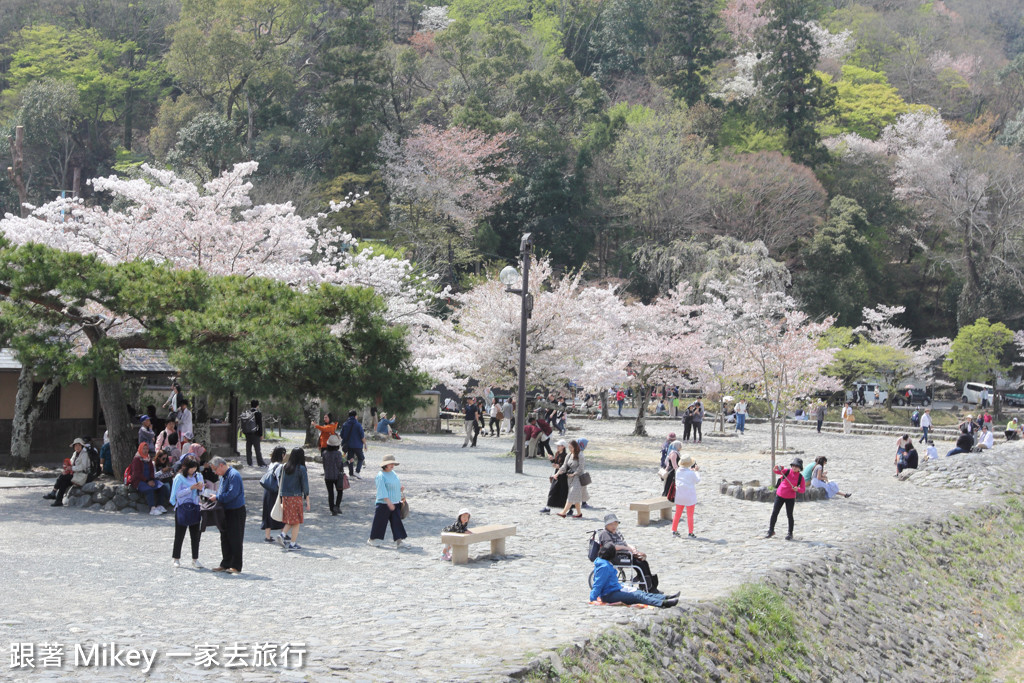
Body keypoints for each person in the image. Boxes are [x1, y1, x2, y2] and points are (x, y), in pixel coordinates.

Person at [590, 542, 678, 608]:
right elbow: (598, 583)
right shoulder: (604, 566)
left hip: (616, 589)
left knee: (639, 592)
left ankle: (664, 597)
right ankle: (662, 603)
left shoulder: (603, 562)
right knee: (637, 596)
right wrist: (593, 598)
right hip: (609, 595)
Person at [598, 513, 665, 593]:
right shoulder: (604, 533)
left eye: (615, 524)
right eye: (611, 524)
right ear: (606, 525)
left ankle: (648, 585)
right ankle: (648, 587)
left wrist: (632, 548)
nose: (614, 526)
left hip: (626, 554)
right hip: (616, 556)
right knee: (640, 564)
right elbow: (611, 547)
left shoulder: (616, 532)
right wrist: (626, 548)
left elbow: (624, 543)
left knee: (644, 562)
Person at [209, 456, 246, 574]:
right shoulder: (224, 476)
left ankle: (236, 565)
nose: (215, 472)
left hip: (236, 510)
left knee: (235, 538)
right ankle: (225, 563)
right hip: (225, 510)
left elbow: (232, 494)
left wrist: (218, 497)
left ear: (221, 465)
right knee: (225, 538)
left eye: (215, 469)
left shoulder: (233, 475)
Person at [169, 456, 205, 569]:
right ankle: (176, 558)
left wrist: (200, 488)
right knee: (179, 534)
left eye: (195, 468)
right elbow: (177, 494)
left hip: (195, 507)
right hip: (182, 508)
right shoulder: (179, 478)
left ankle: (195, 559)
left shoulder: (198, 476)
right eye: (191, 468)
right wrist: (190, 488)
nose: (193, 471)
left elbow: (202, 491)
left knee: (195, 535)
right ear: (185, 467)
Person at [368, 454, 408, 548]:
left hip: (396, 502)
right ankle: (372, 539)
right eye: (390, 464)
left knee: (397, 522)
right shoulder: (380, 476)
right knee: (380, 522)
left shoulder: (393, 473)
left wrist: (400, 489)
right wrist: (388, 502)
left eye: (393, 464)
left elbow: (394, 485)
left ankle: (399, 541)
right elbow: (382, 490)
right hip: (384, 504)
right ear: (385, 465)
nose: (392, 465)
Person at [275, 448, 310, 551]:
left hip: (285, 497)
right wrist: (307, 500)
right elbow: (305, 486)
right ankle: (292, 544)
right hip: (295, 497)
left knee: (291, 519)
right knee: (297, 521)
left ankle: (282, 534)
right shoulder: (301, 468)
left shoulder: (286, 467)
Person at [43, 438, 91, 506]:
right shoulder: (75, 453)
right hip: (74, 474)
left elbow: (83, 467)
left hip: (80, 475)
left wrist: (71, 468)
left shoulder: (84, 454)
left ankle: (53, 492)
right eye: (75, 446)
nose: (77, 447)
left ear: (82, 446)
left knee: (62, 477)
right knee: (63, 482)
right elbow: (71, 462)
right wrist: (66, 467)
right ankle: (58, 501)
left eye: (79, 445)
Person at [766, 458, 805, 540]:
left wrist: (797, 489)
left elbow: (803, 489)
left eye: (797, 466)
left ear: (800, 468)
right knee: (774, 513)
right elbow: (776, 471)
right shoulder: (786, 471)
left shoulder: (801, 478)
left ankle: (790, 533)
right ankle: (771, 530)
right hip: (780, 495)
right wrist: (776, 467)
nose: (794, 468)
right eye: (793, 466)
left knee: (789, 515)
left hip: (790, 498)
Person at [130, 442, 171, 515]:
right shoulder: (137, 459)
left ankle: (160, 505)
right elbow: (137, 474)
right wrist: (147, 481)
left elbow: (152, 470)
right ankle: (152, 508)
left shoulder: (148, 459)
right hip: (139, 481)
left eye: (146, 449)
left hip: (149, 480)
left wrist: (151, 479)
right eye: (144, 449)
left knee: (162, 486)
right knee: (149, 489)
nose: (145, 450)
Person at [261, 447, 287, 543]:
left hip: (267, 490)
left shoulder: (271, 464)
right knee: (280, 510)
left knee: (268, 512)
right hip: (275, 491)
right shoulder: (280, 466)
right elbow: (280, 480)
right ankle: (283, 532)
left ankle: (267, 536)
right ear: (282, 455)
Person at [556, 439, 587, 518]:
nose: (570, 449)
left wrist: (574, 474)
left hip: (578, 478)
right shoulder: (569, 455)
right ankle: (579, 513)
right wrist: (557, 474)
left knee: (571, 495)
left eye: (571, 447)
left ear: (576, 447)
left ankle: (563, 512)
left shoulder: (580, 455)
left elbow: (581, 468)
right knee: (575, 496)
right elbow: (564, 466)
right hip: (570, 478)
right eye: (569, 447)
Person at [671, 456, 701, 538]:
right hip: (689, 496)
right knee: (690, 515)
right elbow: (697, 480)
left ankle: (674, 530)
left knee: (677, 514)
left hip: (680, 495)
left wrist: (692, 471)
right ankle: (690, 533)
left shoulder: (678, 471)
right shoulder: (691, 473)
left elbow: (685, 474)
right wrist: (696, 471)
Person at [542, 440, 570, 513]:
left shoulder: (566, 455)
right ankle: (548, 507)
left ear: (563, 447)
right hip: (556, 475)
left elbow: (566, 466)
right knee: (553, 491)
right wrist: (552, 460)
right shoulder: (557, 453)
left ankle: (570, 509)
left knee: (563, 492)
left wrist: (558, 466)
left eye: (559, 446)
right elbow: (556, 462)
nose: (557, 447)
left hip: (563, 477)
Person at [322, 434, 346, 516]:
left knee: (330, 493)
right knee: (340, 491)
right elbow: (340, 465)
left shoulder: (325, 453)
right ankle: (337, 506)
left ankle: (332, 508)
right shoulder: (338, 454)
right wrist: (347, 462)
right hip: (337, 476)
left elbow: (324, 465)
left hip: (328, 476)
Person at [340, 410, 366, 477]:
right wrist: (365, 444)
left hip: (349, 445)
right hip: (358, 446)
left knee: (350, 459)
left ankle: (351, 474)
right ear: (355, 416)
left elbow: (341, 435)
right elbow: (362, 436)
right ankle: (357, 471)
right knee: (361, 458)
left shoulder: (345, 424)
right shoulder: (358, 425)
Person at [241, 399, 266, 467]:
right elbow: (259, 425)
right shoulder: (257, 413)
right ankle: (260, 463)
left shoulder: (247, 413)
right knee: (257, 449)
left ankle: (249, 463)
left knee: (248, 449)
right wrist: (261, 434)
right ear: (257, 405)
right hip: (255, 434)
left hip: (247, 433)